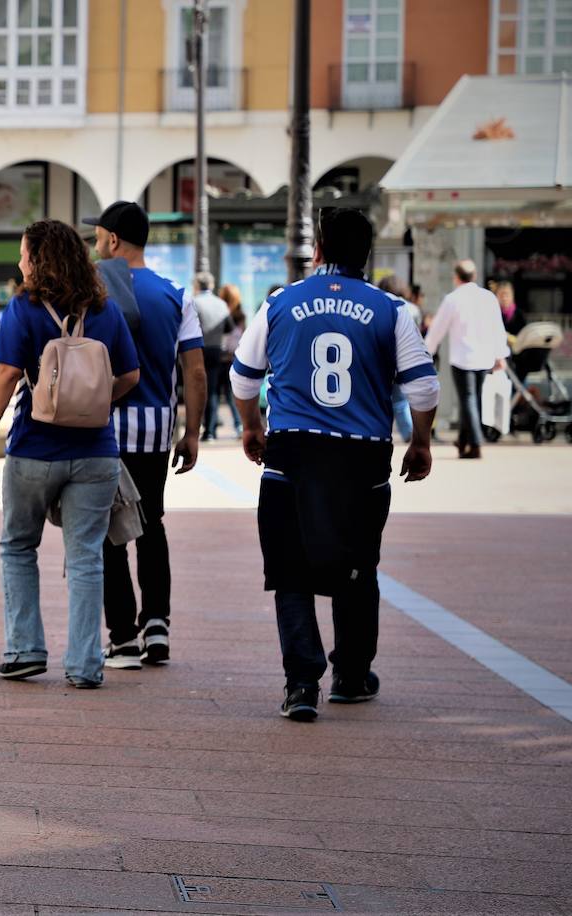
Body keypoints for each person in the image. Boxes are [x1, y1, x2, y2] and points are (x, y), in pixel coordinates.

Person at [229, 207, 438, 721]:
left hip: (292, 450)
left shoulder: (280, 301)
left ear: (317, 250)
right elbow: (425, 387)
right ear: (367, 253)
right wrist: (421, 443)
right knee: (358, 565)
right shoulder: (391, 310)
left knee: (290, 570)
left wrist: (252, 426)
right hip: (361, 456)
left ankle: (301, 685)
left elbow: (243, 377)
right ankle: (350, 674)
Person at [0, 219, 140, 689]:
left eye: (24, 253)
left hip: (35, 449)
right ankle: (85, 666)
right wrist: (92, 402)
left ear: (38, 259)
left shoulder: (25, 307)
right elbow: (130, 376)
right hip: (97, 453)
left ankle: (24, 651)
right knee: (86, 557)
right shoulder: (105, 307)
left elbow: (5, 375)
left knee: (19, 545)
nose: (20, 262)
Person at [84, 201, 206, 669]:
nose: (96, 248)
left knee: (108, 532)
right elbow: (194, 372)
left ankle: (123, 637)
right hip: (155, 431)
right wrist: (191, 431)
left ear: (113, 240)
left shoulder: (94, 290)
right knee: (151, 526)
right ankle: (158, 626)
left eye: (97, 239)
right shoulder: (176, 293)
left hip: (102, 431)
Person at [423, 260, 509, 460]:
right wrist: (500, 354)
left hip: (462, 357)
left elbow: (437, 330)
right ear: (475, 276)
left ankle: (476, 442)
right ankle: (463, 440)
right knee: (473, 398)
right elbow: (498, 328)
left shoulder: (453, 299)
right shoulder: (488, 298)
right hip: (484, 357)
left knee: (468, 399)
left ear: (456, 277)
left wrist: (426, 351)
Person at [378, 276, 421, 443]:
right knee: (403, 400)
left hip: (386, 359)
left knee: (388, 400)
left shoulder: (382, 307)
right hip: (407, 358)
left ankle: (407, 432)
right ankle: (410, 431)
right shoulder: (413, 309)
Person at [192, 272, 234, 441]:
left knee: (197, 389)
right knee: (213, 390)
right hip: (216, 349)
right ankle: (210, 430)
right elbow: (229, 328)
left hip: (197, 349)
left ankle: (198, 428)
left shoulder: (194, 302)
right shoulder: (221, 304)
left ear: (196, 285)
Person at [217, 284, 245, 436]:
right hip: (234, 356)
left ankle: (211, 427)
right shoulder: (240, 314)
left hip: (221, 355)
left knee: (214, 392)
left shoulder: (221, 313)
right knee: (230, 393)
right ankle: (238, 424)